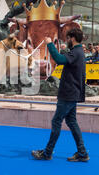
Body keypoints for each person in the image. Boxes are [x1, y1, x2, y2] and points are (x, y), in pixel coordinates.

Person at [32, 28, 89, 162]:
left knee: (56, 121)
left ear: (73, 38)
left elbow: (59, 59)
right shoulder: (78, 52)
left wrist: (50, 44)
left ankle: (47, 153)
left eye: (68, 38)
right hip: (72, 93)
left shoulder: (76, 52)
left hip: (68, 93)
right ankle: (82, 152)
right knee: (71, 121)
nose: (67, 40)